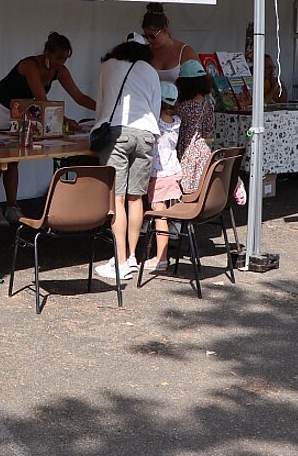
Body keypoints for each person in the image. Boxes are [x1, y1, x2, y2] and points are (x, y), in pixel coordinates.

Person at [0, 32, 97, 226]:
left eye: (65, 58)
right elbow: (42, 101)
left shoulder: (60, 71)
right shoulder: (29, 65)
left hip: (18, 111)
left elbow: (79, 97)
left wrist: (105, 109)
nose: (61, 62)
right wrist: (65, 120)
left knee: (13, 159)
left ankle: (12, 206)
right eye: (58, 57)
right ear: (47, 53)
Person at [91, 39, 161, 281]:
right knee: (136, 197)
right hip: (146, 133)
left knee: (116, 198)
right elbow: (155, 107)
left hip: (117, 133)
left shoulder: (107, 65)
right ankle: (131, 257)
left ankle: (119, 261)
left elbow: (101, 105)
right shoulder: (150, 70)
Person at [143, 82, 184, 275]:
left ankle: (161, 258)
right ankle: (161, 254)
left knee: (160, 217)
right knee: (166, 215)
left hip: (159, 174)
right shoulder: (176, 121)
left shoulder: (154, 122)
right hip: (173, 170)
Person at [174, 59, 215, 195]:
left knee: (187, 190)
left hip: (186, 153)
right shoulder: (207, 104)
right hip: (203, 150)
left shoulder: (183, 107)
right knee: (201, 189)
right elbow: (208, 129)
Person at [142, 3, 202, 82]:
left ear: (164, 30)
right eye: (146, 37)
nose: (149, 40)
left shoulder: (185, 51)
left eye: (152, 36)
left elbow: (200, 83)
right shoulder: (145, 52)